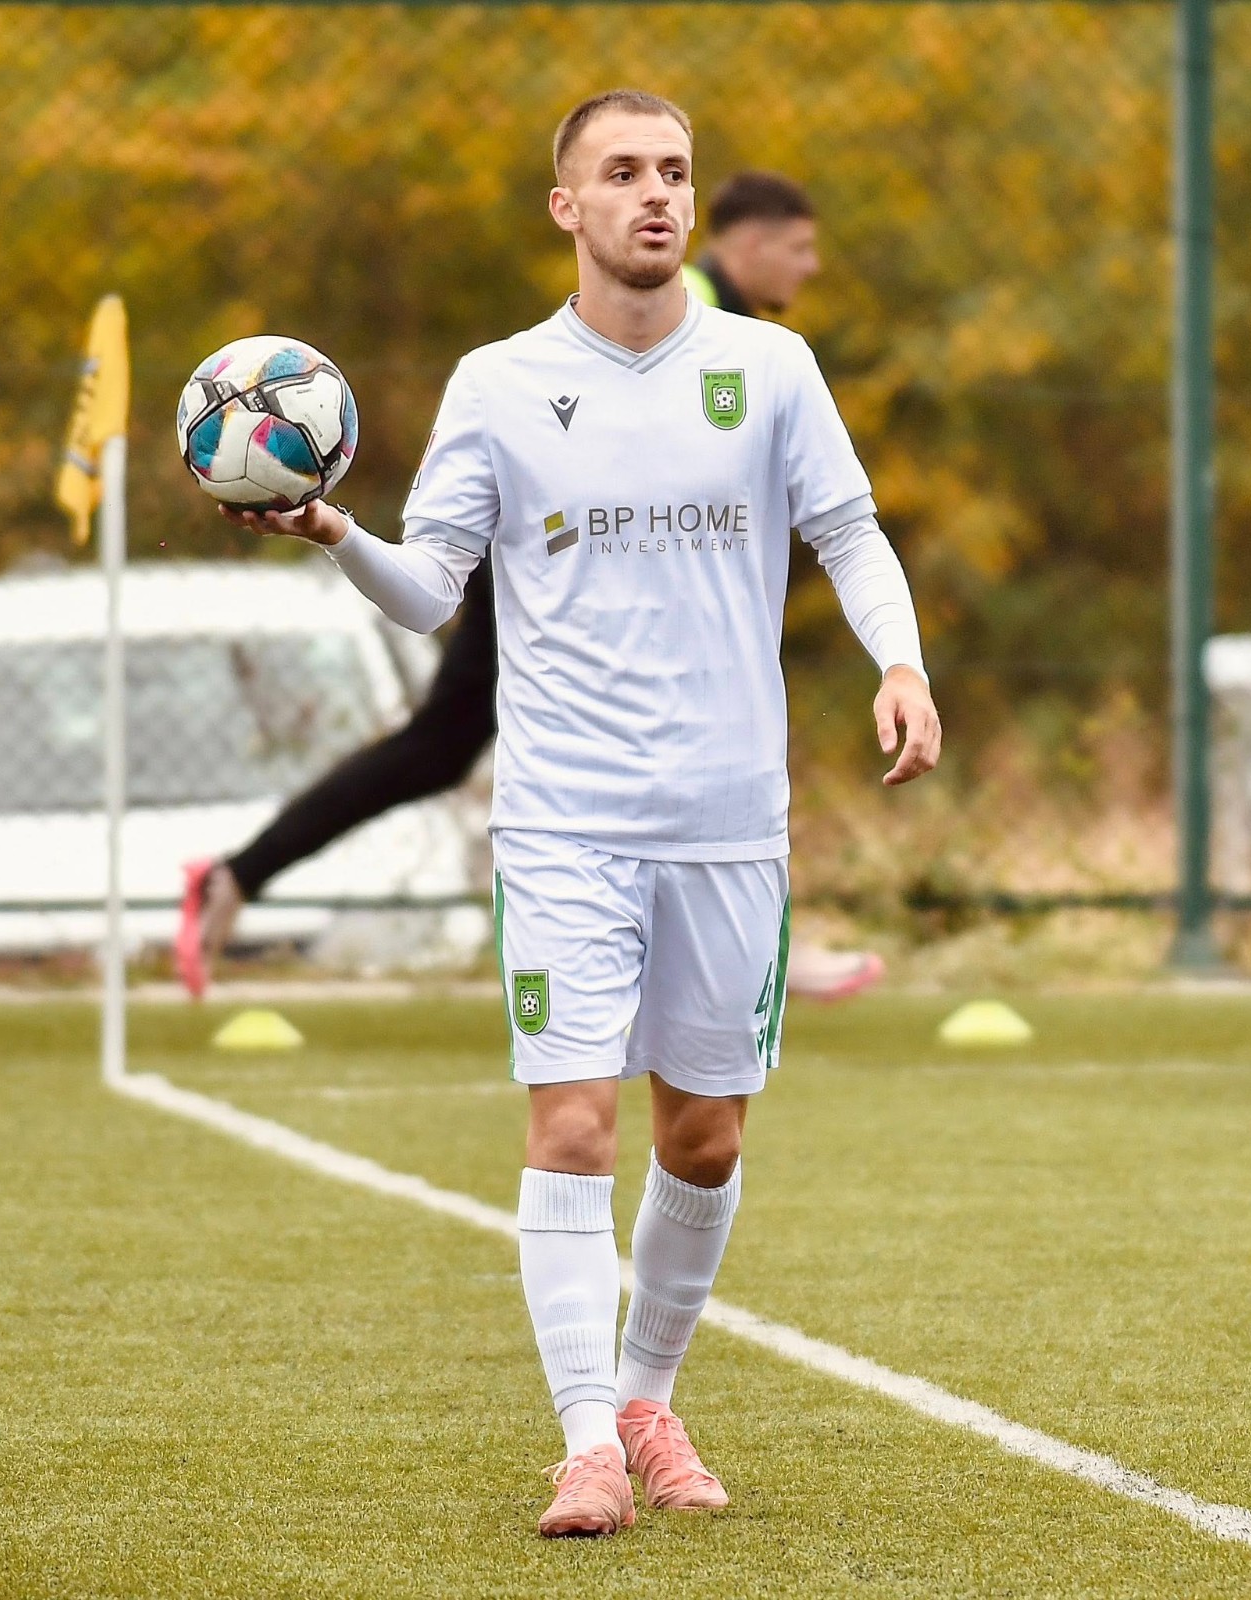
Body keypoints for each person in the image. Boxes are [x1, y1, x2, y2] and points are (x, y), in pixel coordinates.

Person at [211, 89, 940, 1536]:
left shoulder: (768, 366)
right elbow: (433, 591)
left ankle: (648, 1397)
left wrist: (901, 664)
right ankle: (586, 1444)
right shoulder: (497, 384)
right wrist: (336, 531)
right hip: (563, 823)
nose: (654, 194)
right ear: (568, 208)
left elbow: (848, 532)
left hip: (728, 817)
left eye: (672, 171)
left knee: (703, 1141)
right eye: (622, 172)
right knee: (570, 1125)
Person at [175, 171, 884, 1005]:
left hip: (591, 569)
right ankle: (752, 950)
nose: (810, 267)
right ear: (751, 242)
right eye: (799, 248)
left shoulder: (742, 333)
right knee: (464, 745)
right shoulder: (690, 302)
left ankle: (235, 875)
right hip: (565, 569)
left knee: (441, 749)